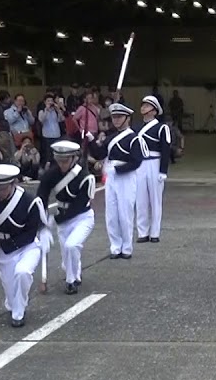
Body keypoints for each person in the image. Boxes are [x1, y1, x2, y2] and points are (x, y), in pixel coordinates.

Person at [0, 163, 50, 328]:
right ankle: (14, 304)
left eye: (2, 189)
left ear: (13, 184)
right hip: (4, 251)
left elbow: (31, 232)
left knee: (23, 273)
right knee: (9, 287)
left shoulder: (30, 201)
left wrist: (5, 243)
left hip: (28, 246)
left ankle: (19, 312)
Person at [36, 140, 96, 294]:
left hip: (82, 217)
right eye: (59, 160)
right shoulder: (51, 174)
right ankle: (73, 273)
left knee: (72, 245)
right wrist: (41, 224)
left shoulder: (84, 177)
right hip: (63, 219)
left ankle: (71, 281)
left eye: (66, 161)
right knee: (67, 256)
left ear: (74, 158)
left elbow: (78, 206)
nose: (62, 164)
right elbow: (41, 198)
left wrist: (53, 221)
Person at [84, 102, 141, 259]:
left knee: (125, 213)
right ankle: (115, 247)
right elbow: (99, 153)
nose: (116, 120)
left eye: (119, 117)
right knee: (111, 213)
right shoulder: (111, 137)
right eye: (114, 117)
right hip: (111, 176)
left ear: (127, 118)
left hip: (126, 176)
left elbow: (136, 161)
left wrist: (117, 169)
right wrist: (90, 139)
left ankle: (127, 248)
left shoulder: (134, 138)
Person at [135, 94, 174, 243]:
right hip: (140, 164)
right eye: (143, 104)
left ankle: (155, 232)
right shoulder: (136, 127)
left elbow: (166, 150)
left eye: (147, 105)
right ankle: (142, 232)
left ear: (154, 110)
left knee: (155, 200)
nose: (143, 107)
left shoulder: (161, 127)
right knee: (141, 199)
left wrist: (163, 171)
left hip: (155, 163)